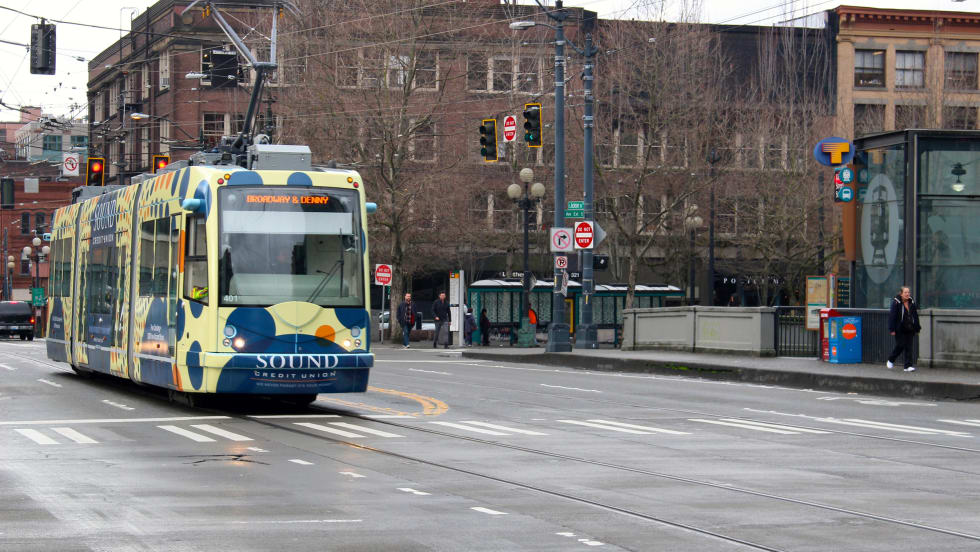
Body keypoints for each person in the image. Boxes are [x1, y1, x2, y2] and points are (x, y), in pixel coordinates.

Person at [887, 285, 921, 372]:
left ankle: (907, 366)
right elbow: (892, 316)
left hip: (910, 328)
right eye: (905, 292)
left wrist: (917, 327)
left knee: (909, 347)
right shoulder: (896, 303)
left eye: (908, 292)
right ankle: (891, 359)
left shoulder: (911, 302)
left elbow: (915, 315)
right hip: (900, 328)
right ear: (901, 294)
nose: (907, 294)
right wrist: (892, 329)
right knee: (901, 345)